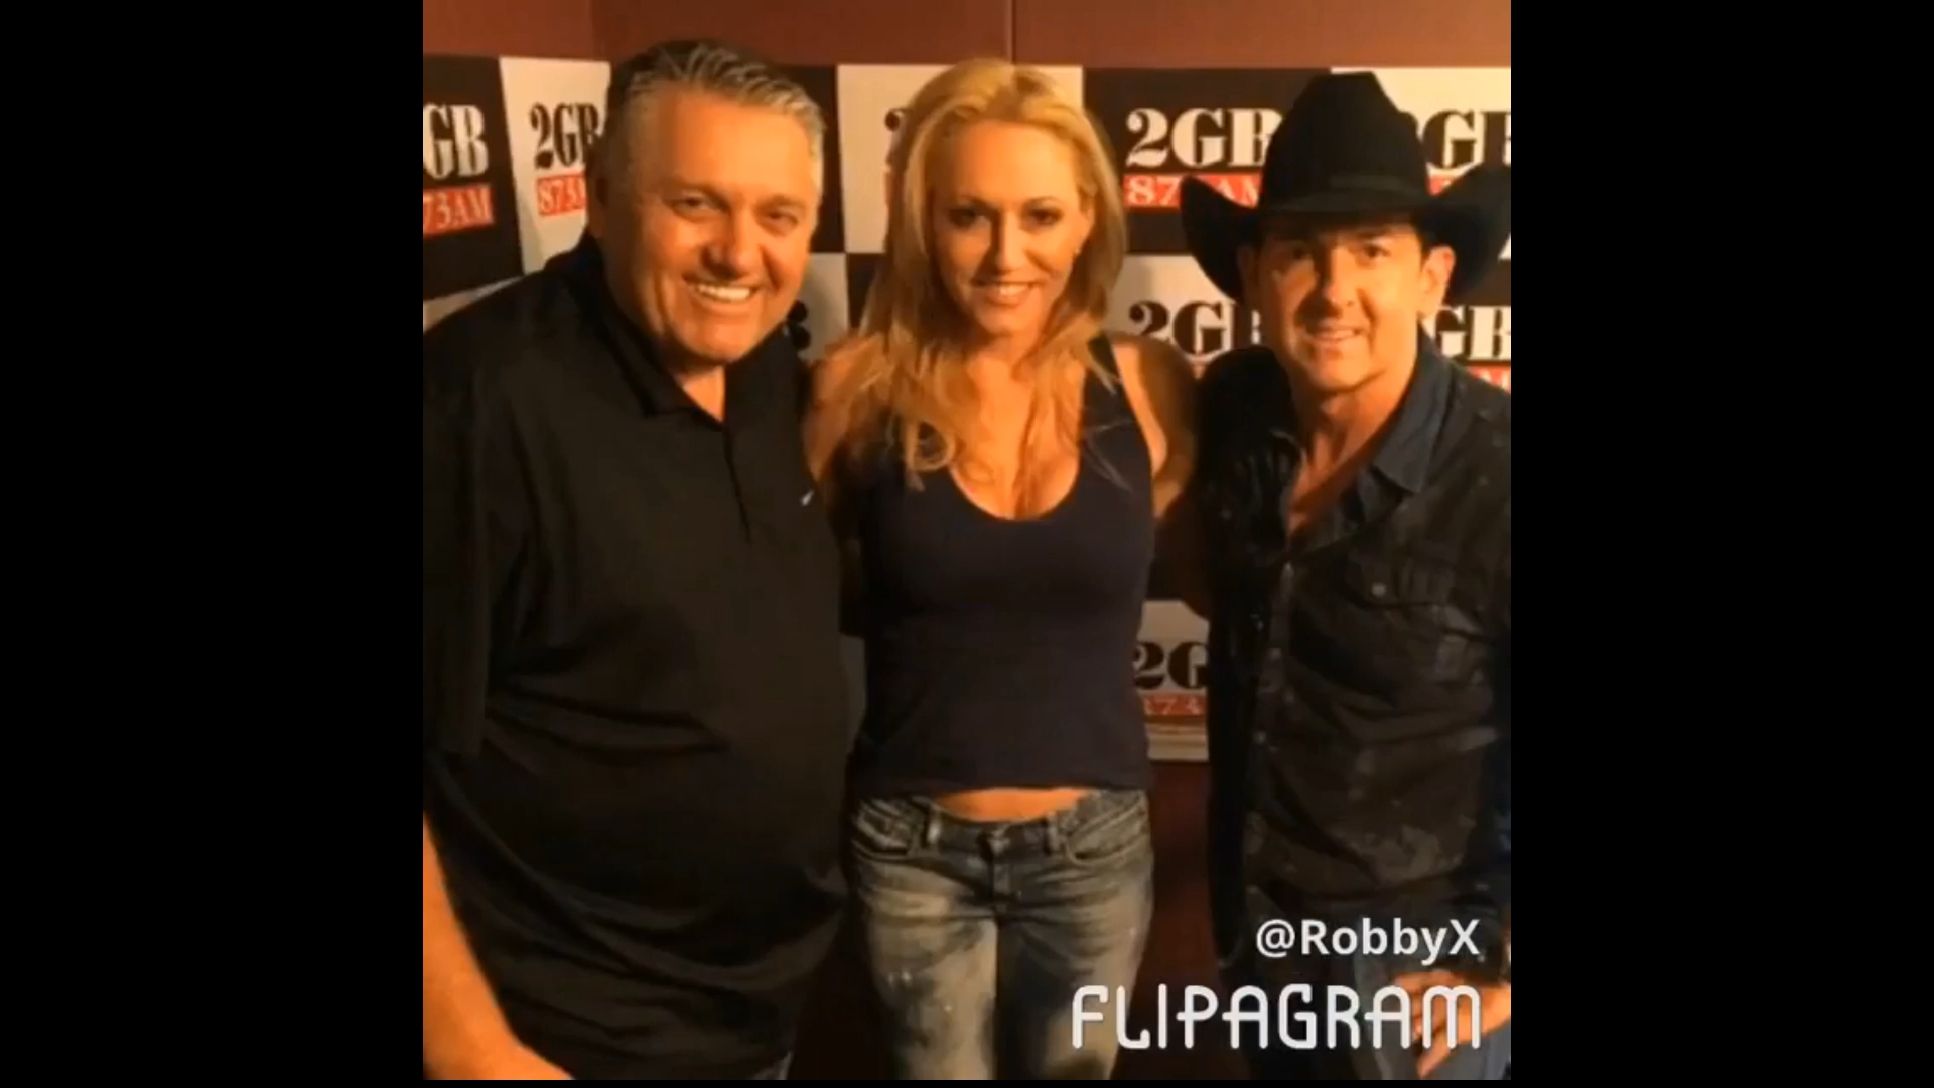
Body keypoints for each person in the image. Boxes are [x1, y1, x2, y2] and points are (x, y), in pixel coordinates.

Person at [421, 40, 850, 1080]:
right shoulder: (479, 402)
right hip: (563, 1039)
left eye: (779, 215)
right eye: (695, 204)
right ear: (603, 200)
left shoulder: (763, 366)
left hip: (756, 1015)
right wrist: (469, 1049)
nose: (738, 253)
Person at [802, 58, 1198, 1080]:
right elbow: (786, 587)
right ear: (922, 222)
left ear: (1088, 222)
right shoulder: (855, 388)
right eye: (969, 216)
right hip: (909, 848)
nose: (1005, 254)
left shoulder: (1150, 383)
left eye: (1040, 215)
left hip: (1094, 850)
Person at [1174, 71, 1513, 1080]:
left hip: (1426, 986)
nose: (1333, 290)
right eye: (1299, 252)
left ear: (1433, 277)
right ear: (1251, 275)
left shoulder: (1500, 471)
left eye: (1371, 249)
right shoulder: (1234, 416)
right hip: (1263, 954)